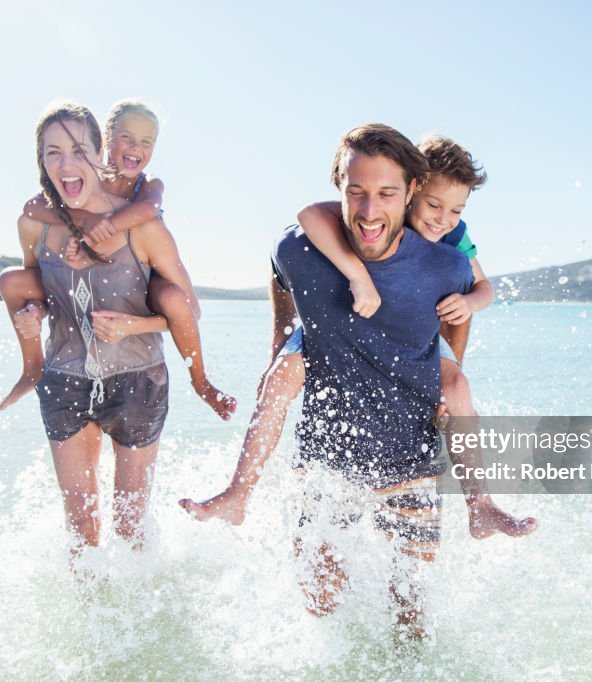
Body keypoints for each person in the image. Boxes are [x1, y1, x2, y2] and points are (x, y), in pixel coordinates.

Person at [182, 124, 536, 636]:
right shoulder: (306, 248)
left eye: (387, 194)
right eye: (356, 192)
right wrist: (282, 338)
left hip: (409, 461)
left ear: (410, 189)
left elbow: (471, 298)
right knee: (320, 611)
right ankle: (240, 491)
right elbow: (283, 265)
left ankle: (480, 506)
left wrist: (450, 374)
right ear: (340, 189)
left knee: (411, 620)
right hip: (326, 468)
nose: (370, 211)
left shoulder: (446, 260)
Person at [0, 99, 236, 422]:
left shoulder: (149, 186)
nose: (135, 147)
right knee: (12, 281)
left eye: (146, 141)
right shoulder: (85, 179)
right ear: (105, 142)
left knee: (172, 298)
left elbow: (148, 211)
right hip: (86, 284)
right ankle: (32, 368)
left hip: (141, 277)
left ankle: (201, 382)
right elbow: (32, 207)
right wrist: (80, 223)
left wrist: (93, 235)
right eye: (127, 137)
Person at [15, 101, 178, 556]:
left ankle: (139, 622)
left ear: (97, 151)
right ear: (41, 160)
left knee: (130, 528)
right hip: (66, 378)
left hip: (139, 378)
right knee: (81, 530)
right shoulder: (34, 224)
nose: (66, 164)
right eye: (52, 153)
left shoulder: (142, 221)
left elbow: (187, 312)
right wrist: (31, 316)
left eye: (77, 150)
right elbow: (37, 290)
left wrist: (132, 325)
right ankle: (89, 623)